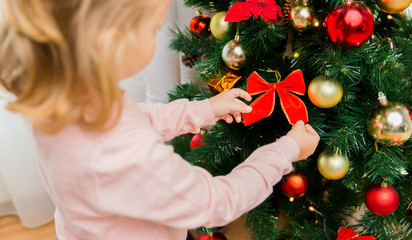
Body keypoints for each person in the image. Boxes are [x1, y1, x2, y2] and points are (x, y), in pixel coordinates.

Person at [0, 0, 320, 239]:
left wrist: (203, 110)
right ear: (110, 43)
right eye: (153, 28)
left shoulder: (61, 91)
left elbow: (136, 119)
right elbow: (218, 201)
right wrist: (286, 150)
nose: (156, 35)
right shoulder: (125, 154)